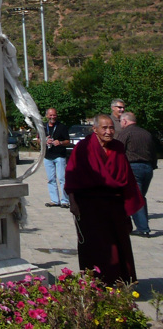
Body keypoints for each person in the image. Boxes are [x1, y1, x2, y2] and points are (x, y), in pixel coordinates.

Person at [65, 113, 144, 285]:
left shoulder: (118, 147)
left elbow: (126, 178)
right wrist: (73, 202)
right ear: (95, 129)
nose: (109, 131)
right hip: (89, 205)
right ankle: (96, 281)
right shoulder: (84, 147)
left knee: (118, 243)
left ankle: (120, 279)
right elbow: (72, 177)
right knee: (94, 244)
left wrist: (128, 206)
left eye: (111, 128)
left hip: (114, 204)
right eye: (104, 128)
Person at [116, 110, 157, 236]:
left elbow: (118, 151)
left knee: (135, 198)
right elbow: (153, 152)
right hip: (148, 168)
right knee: (141, 197)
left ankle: (143, 228)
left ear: (124, 121)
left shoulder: (126, 133)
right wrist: (153, 166)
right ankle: (140, 225)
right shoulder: (146, 133)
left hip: (133, 168)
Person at [43, 108, 71, 208]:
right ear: (47, 116)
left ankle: (65, 201)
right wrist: (45, 141)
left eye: (54, 115)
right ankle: (54, 200)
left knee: (62, 179)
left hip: (59, 156)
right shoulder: (43, 127)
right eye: (50, 115)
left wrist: (60, 142)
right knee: (51, 179)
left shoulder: (62, 127)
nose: (52, 117)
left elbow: (68, 141)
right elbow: (38, 139)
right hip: (47, 156)